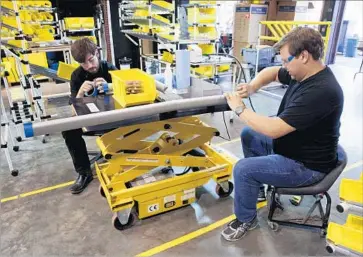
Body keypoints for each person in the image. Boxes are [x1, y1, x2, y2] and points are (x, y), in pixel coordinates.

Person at [221, 27, 344, 241]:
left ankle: (245, 219)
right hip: (293, 147)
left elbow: (273, 128)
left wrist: (240, 108)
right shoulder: (303, 73)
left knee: (243, 170)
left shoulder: (321, 91)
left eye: (287, 60)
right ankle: (256, 189)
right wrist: (252, 87)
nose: (285, 66)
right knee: (250, 135)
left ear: (304, 56)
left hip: (306, 165)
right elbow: (273, 73)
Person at [62, 38, 117, 194]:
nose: (89, 66)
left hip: (114, 118)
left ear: (97, 53)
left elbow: (127, 98)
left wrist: (110, 88)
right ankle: (84, 173)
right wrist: (80, 93)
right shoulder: (77, 76)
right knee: (68, 130)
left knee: (135, 123)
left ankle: (127, 161)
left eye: (91, 60)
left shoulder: (110, 69)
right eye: (84, 63)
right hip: (90, 119)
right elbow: (73, 112)